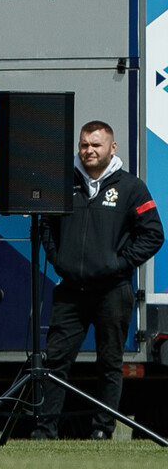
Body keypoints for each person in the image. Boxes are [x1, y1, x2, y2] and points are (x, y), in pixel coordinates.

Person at [31, 121, 163, 440]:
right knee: (55, 362)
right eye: (84, 145)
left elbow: (154, 234)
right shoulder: (63, 183)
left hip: (113, 292)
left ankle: (102, 432)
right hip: (70, 292)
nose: (89, 150)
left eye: (96, 145)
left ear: (112, 148)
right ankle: (44, 431)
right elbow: (45, 226)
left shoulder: (132, 187)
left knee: (109, 364)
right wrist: (58, 259)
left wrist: (118, 264)